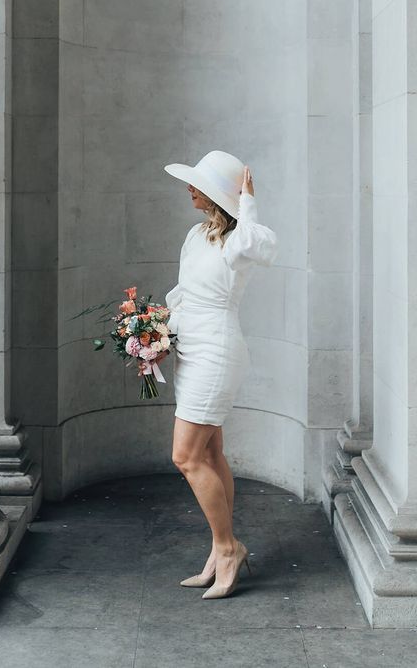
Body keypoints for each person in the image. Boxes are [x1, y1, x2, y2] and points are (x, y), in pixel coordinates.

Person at [157, 150, 279, 599]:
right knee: (209, 455)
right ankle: (219, 547)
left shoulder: (240, 240)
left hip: (217, 351)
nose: (189, 188)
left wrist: (248, 201)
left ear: (219, 195)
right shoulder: (196, 234)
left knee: (185, 457)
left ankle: (229, 549)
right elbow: (185, 293)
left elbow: (261, 245)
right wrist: (155, 331)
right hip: (189, 350)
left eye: (199, 183)